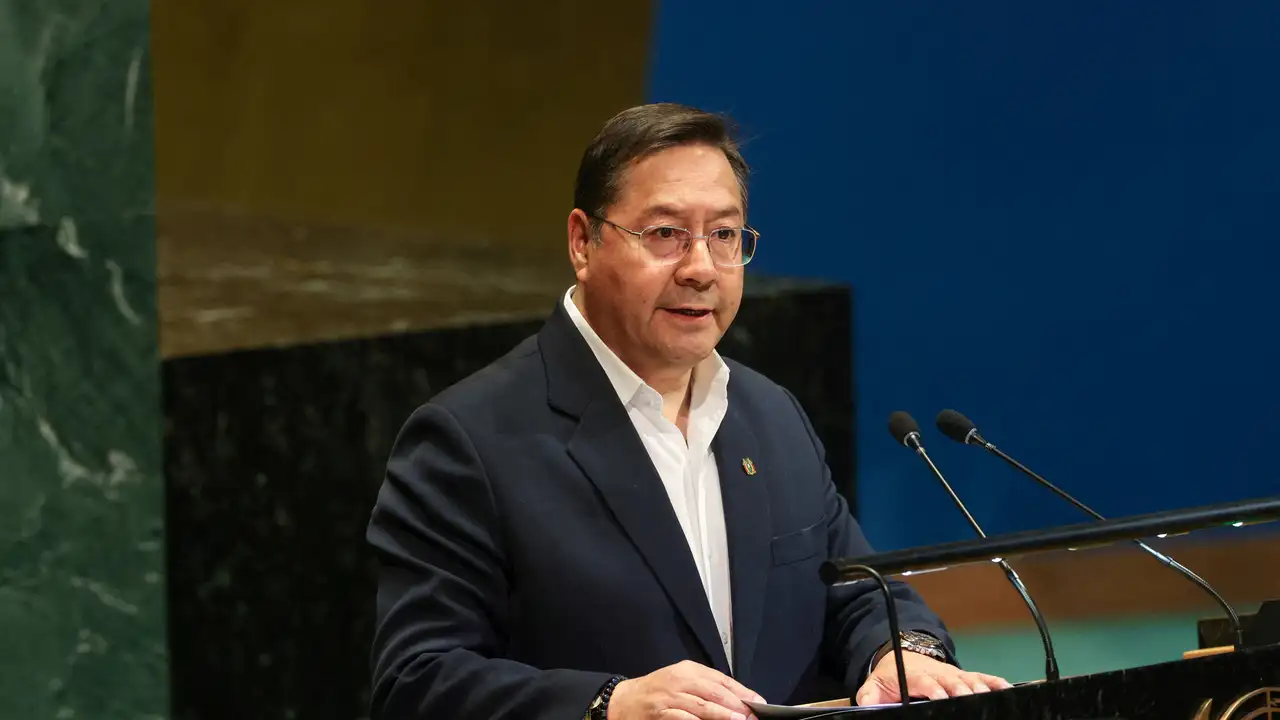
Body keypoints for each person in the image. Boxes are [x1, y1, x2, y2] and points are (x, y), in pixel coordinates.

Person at [366, 102, 1011, 719]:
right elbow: (418, 679)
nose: (702, 268)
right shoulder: (469, 439)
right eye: (667, 234)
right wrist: (608, 705)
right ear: (583, 242)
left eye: (724, 235)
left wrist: (901, 652)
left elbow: (857, 592)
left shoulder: (768, 413)